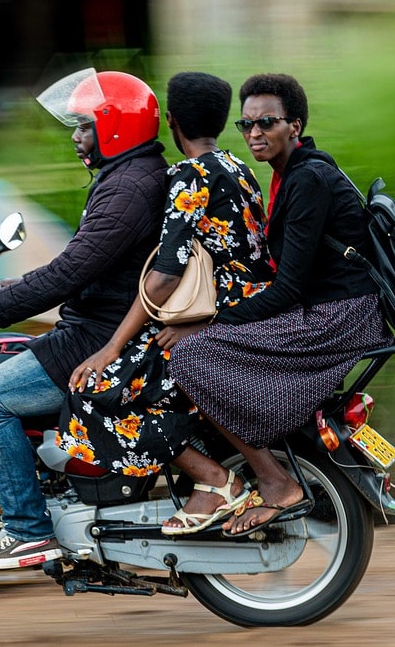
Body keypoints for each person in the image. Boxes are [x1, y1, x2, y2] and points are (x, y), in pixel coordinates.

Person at [0, 68, 168, 570]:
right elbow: (79, 264)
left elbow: (71, 271)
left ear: (115, 125)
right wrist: (3, 289)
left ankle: (27, 530)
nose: (77, 137)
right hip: (97, 323)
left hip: (98, 336)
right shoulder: (127, 178)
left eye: (84, 126)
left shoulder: (127, 189)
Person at [160, 72, 390, 536]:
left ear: (295, 126)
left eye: (267, 122)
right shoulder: (290, 173)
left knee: (190, 355)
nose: (255, 134)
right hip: (337, 308)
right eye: (246, 126)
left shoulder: (308, 180)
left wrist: (208, 324)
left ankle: (275, 481)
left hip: (342, 316)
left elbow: (287, 290)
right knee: (214, 348)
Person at [57, 72, 273, 534]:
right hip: (242, 313)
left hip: (214, 321)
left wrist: (110, 347)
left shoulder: (189, 176)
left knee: (93, 390)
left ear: (171, 122)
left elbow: (163, 278)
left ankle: (215, 481)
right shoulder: (240, 168)